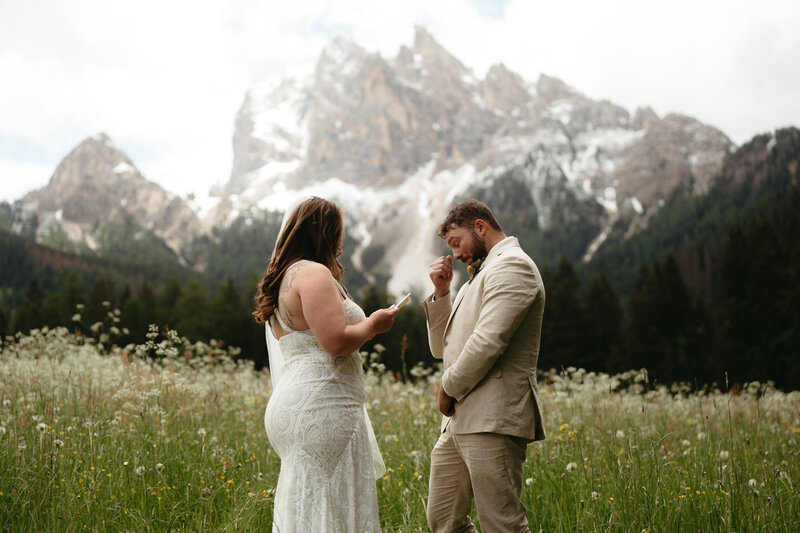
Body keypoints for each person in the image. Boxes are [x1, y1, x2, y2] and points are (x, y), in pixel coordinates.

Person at [254, 196, 398, 532]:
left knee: (305, 502)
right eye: (338, 233)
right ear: (324, 232)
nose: (341, 242)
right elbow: (335, 342)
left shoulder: (284, 278)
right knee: (331, 503)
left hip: (293, 403)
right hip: (324, 405)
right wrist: (374, 325)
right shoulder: (314, 273)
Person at [423, 200, 546, 532]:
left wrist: (448, 387)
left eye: (456, 243)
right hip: (457, 424)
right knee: (443, 520)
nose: (457, 255)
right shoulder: (474, 278)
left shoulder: (513, 266)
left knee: (501, 524)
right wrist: (442, 293)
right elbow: (442, 348)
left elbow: (489, 342)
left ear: (480, 227)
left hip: (494, 417)